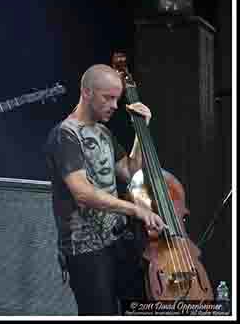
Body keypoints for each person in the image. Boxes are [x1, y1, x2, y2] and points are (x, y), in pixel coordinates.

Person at [45, 64, 166, 315]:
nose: (114, 105)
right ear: (87, 92)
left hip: (116, 244)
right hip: (86, 251)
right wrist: (135, 209)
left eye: (117, 99)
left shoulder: (103, 132)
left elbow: (131, 172)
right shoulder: (64, 135)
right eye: (108, 97)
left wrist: (141, 132)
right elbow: (83, 192)